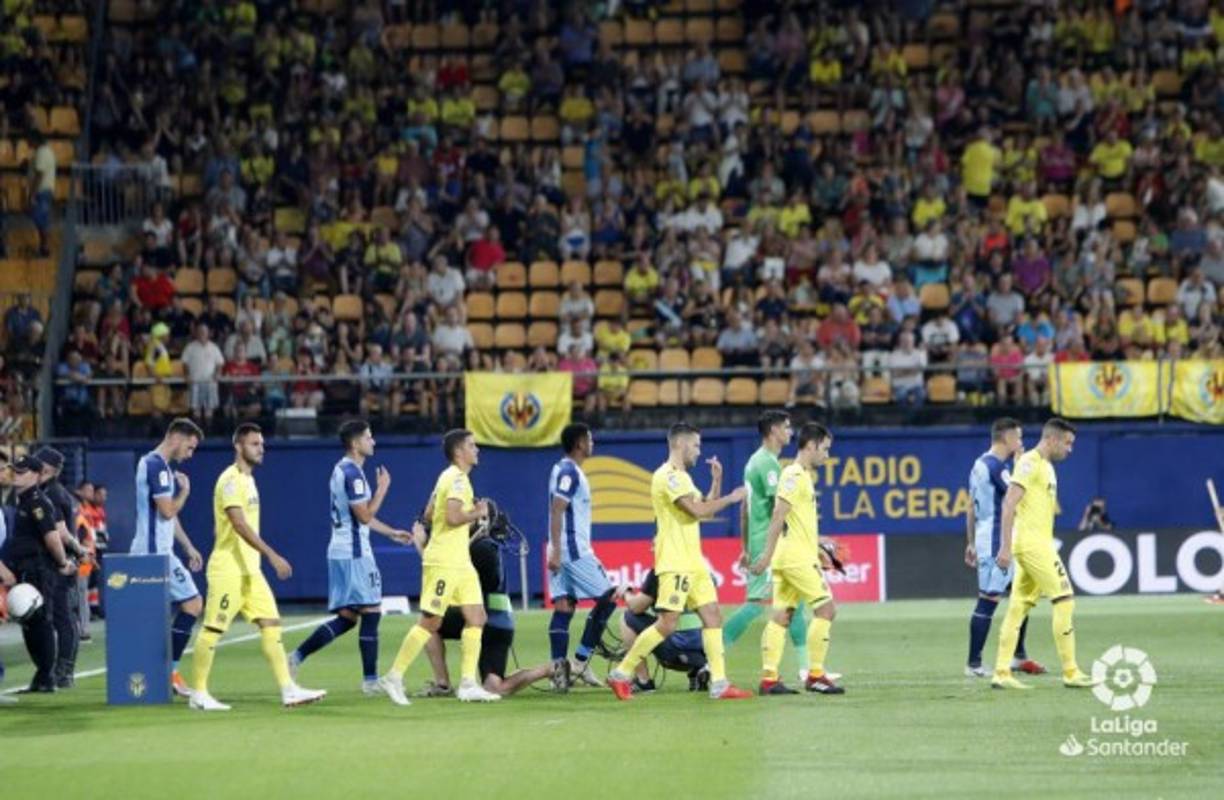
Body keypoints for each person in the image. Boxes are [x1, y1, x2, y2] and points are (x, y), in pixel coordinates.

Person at [605, 423, 750, 701]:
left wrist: (716, 483)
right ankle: (621, 673)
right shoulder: (668, 476)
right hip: (675, 562)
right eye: (696, 445)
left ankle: (719, 684)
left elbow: (703, 507)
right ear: (680, 445)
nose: (699, 451)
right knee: (668, 622)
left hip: (693, 562)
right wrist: (732, 497)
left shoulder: (683, 477)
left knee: (712, 616)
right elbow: (696, 510)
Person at [189, 423, 327, 710]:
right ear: (238, 447)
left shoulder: (249, 481)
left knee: (271, 624)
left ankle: (289, 689)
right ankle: (199, 694)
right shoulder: (230, 480)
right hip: (229, 569)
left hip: (251, 570)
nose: (261, 448)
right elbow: (238, 524)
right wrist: (272, 555)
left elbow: (228, 525)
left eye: (261, 443)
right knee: (214, 628)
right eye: (254, 444)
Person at [289, 420, 415, 692]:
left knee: (348, 617)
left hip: (342, 549)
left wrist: (391, 532)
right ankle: (370, 681)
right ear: (356, 443)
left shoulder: (341, 469)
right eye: (369, 437)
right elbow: (364, 515)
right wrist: (382, 488)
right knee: (371, 610)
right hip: (354, 553)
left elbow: (362, 519)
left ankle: (296, 657)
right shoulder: (354, 475)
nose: (373, 442)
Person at [378, 429, 501, 705]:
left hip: (460, 561)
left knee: (476, 616)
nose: (477, 449)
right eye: (472, 445)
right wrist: (477, 513)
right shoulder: (457, 479)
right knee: (432, 621)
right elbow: (454, 516)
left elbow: (429, 514)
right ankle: (394, 676)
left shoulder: (446, 476)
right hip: (445, 561)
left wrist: (467, 519)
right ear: (459, 452)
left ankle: (468, 683)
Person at [991, 418, 1096, 691]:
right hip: (1033, 546)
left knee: (1018, 607)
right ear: (1052, 439)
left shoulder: (1044, 466)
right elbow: (1009, 503)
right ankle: (1071, 672)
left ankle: (1001, 672)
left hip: (1034, 544)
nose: (1070, 449)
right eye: (1068, 443)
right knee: (1064, 599)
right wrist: (1004, 546)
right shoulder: (1031, 462)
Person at [750, 422, 845, 695]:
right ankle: (815, 674)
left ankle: (769, 679)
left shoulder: (800, 474)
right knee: (826, 609)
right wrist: (766, 555)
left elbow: (794, 521)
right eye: (825, 449)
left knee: (782, 615)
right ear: (812, 446)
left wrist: (818, 542)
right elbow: (778, 515)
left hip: (793, 556)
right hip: (795, 559)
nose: (826, 455)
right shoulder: (793, 474)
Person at [723, 411, 810, 681]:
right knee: (757, 603)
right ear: (773, 430)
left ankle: (808, 669)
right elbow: (779, 511)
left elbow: (746, 509)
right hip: (770, 542)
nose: (790, 432)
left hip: (760, 540)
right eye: (786, 427)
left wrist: (746, 546)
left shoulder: (754, 462)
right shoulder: (769, 465)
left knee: (793, 601)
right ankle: (712, 657)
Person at [421, 535, 553, 698]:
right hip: (501, 623)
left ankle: (443, 684)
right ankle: (549, 669)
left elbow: (441, 571)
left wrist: (420, 543)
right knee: (494, 688)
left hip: (483, 619)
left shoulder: (477, 548)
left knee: (427, 625)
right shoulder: (490, 546)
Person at [963, 419, 1044, 678]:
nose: (1021, 443)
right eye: (1018, 438)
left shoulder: (979, 465)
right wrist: (1023, 465)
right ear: (1007, 438)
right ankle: (973, 664)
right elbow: (1020, 496)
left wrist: (970, 541)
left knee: (1021, 597)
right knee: (989, 600)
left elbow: (969, 506)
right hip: (997, 543)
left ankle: (1019, 657)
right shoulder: (996, 467)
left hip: (994, 539)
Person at [132, 418, 206, 697]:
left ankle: (159, 676)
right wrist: (185, 492)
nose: (190, 454)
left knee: (183, 607)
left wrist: (188, 547)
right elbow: (167, 511)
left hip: (159, 551)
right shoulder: (157, 466)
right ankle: (167, 673)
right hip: (154, 555)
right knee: (192, 604)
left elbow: (168, 518)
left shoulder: (155, 465)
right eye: (190, 447)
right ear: (176, 437)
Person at [546, 423, 616, 691]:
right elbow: (557, 509)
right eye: (589, 438)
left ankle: (558, 670)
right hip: (573, 550)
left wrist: (553, 549)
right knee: (609, 597)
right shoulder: (569, 472)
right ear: (579, 443)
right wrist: (557, 549)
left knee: (564, 607)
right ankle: (579, 661)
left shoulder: (560, 469)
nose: (592, 442)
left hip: (561, 548)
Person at [6, 455, 75, 692]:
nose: (17, 474)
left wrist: (62, 561)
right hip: (26, 567)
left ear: (36, 475)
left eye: (22, 471)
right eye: (15, 470)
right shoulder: (23, 500)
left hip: (38, 568)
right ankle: (42, 674)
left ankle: (47, 676)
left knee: (41, 621)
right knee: (29, 622)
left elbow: (53, 537)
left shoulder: (37, 502)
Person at [33, 447, 91, 688]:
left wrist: (77, 552)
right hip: (59, 563)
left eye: (40, 465)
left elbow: (62, 532)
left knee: (64, 619)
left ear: (51, 469)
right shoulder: (52, 491)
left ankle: (65, 671)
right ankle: (60, 671)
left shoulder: (54, 494)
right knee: (61, 618)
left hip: (61, 566)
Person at [620, 569, 709, 694]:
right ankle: (698, 670)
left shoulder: (659, 573)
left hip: (674, 652)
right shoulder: (702, 571)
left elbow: (636, 607)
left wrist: (626, 593)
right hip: (706, 651)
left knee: (628, 617)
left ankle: (643, 681)